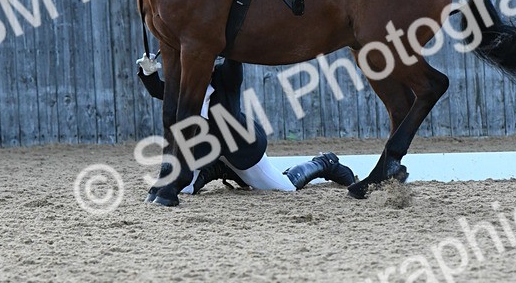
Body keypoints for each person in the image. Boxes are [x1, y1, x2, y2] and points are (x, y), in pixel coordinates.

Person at [137, 55, 357, 193]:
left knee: (284, 188)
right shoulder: (185, 86)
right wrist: (148, 73)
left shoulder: (226, 77)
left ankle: (323, 163)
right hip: (204, 150)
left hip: (241, 147)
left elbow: (235, 61)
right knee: (183, 190)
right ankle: (214, 169)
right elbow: (159, 90)